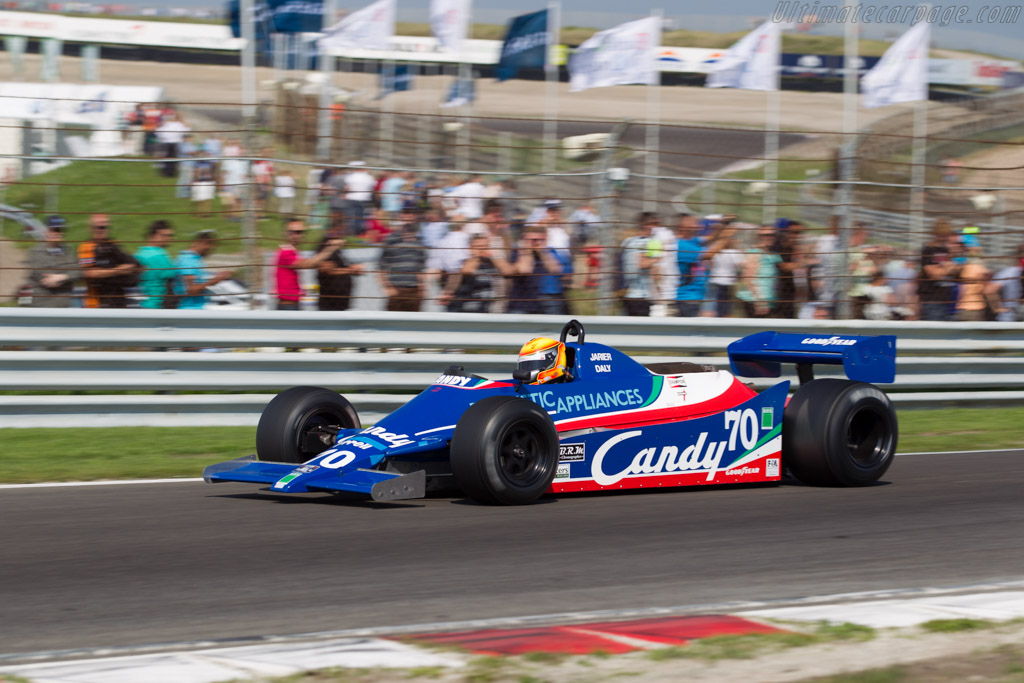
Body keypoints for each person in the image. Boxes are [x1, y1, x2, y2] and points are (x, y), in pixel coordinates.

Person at [274, 219, 342, 310]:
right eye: (293, 232)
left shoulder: (293, 251)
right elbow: (305, 264)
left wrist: (320, 264)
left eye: (300, 232)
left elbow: (307, 264)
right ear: (285, 233)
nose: (296, 235)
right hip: (288, 306)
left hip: (292, 304)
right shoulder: (285, 252)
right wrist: (330, 249)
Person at [442, 233, 516, 313]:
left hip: (487, 311)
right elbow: (467, 270)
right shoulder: (465, 261)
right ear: (470, 248)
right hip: (466, 311)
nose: (483, 249)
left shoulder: (492, 262)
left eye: (486, 246)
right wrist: (476, 256)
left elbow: (508, 271)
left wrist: (494, 256)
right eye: (479, 247)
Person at [507, 224, 572, 315]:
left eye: (540, 239)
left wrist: (543, 253)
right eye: (532, 240)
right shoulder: (518, 252)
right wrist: (527, 251)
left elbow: (555, 269)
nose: (536, 242)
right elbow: (525, 270)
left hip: (538, 304)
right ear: (524, 239)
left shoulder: (546, 252)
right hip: (520, 304)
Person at [78, 214, 140, 309]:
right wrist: (118, 270)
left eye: (104, 227)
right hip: (96, 303)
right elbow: (89, 273)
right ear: (90, 228)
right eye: (98, 227)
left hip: (118, 302)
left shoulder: (114, 244)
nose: (101, 230)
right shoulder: (86, 247)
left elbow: (133, 265)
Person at [25, 216, 79, 307]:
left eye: (60, 230)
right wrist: (67, 275)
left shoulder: (68, 250)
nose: (58, 233)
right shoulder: (35, 251)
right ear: (46, 231)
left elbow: (78, 272)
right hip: (41, 306)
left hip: (65, 306)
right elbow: (43, 276)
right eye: (54, 230)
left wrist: (62, 277)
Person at [378, 217, 428, 312]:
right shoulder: (390, 241)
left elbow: (421, 269)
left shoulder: (418, 243)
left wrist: (422, 288)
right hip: (396, 290)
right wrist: (388, 287)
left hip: (414, 291)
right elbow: (381, 268)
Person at [175, 230, 234, 310]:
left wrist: (216, 278)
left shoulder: (193, 260)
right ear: (202, 243)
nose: (209, 253)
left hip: (196, 308)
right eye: (209, 249)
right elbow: (191, 290)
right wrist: (216, 280)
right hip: (191, 310)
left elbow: (198, 285)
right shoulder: (188, 261)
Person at [317, 219, 363, 311]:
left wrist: (352, 269)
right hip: (330, 304)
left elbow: (338, 267)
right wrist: (351, 270)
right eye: (342, 231)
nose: (343, 235)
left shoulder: (337, 248)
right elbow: (327, 269)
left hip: (342, 303)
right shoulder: (325, 244)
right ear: (336, 229)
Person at [134, 220, 178, 309]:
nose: (167, 238)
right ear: (152, 236)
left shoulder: (139, 253)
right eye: (164, 235)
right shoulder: (159, 255)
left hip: (143, 304)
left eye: (169, 236)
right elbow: (174, 275)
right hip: (159, 304)